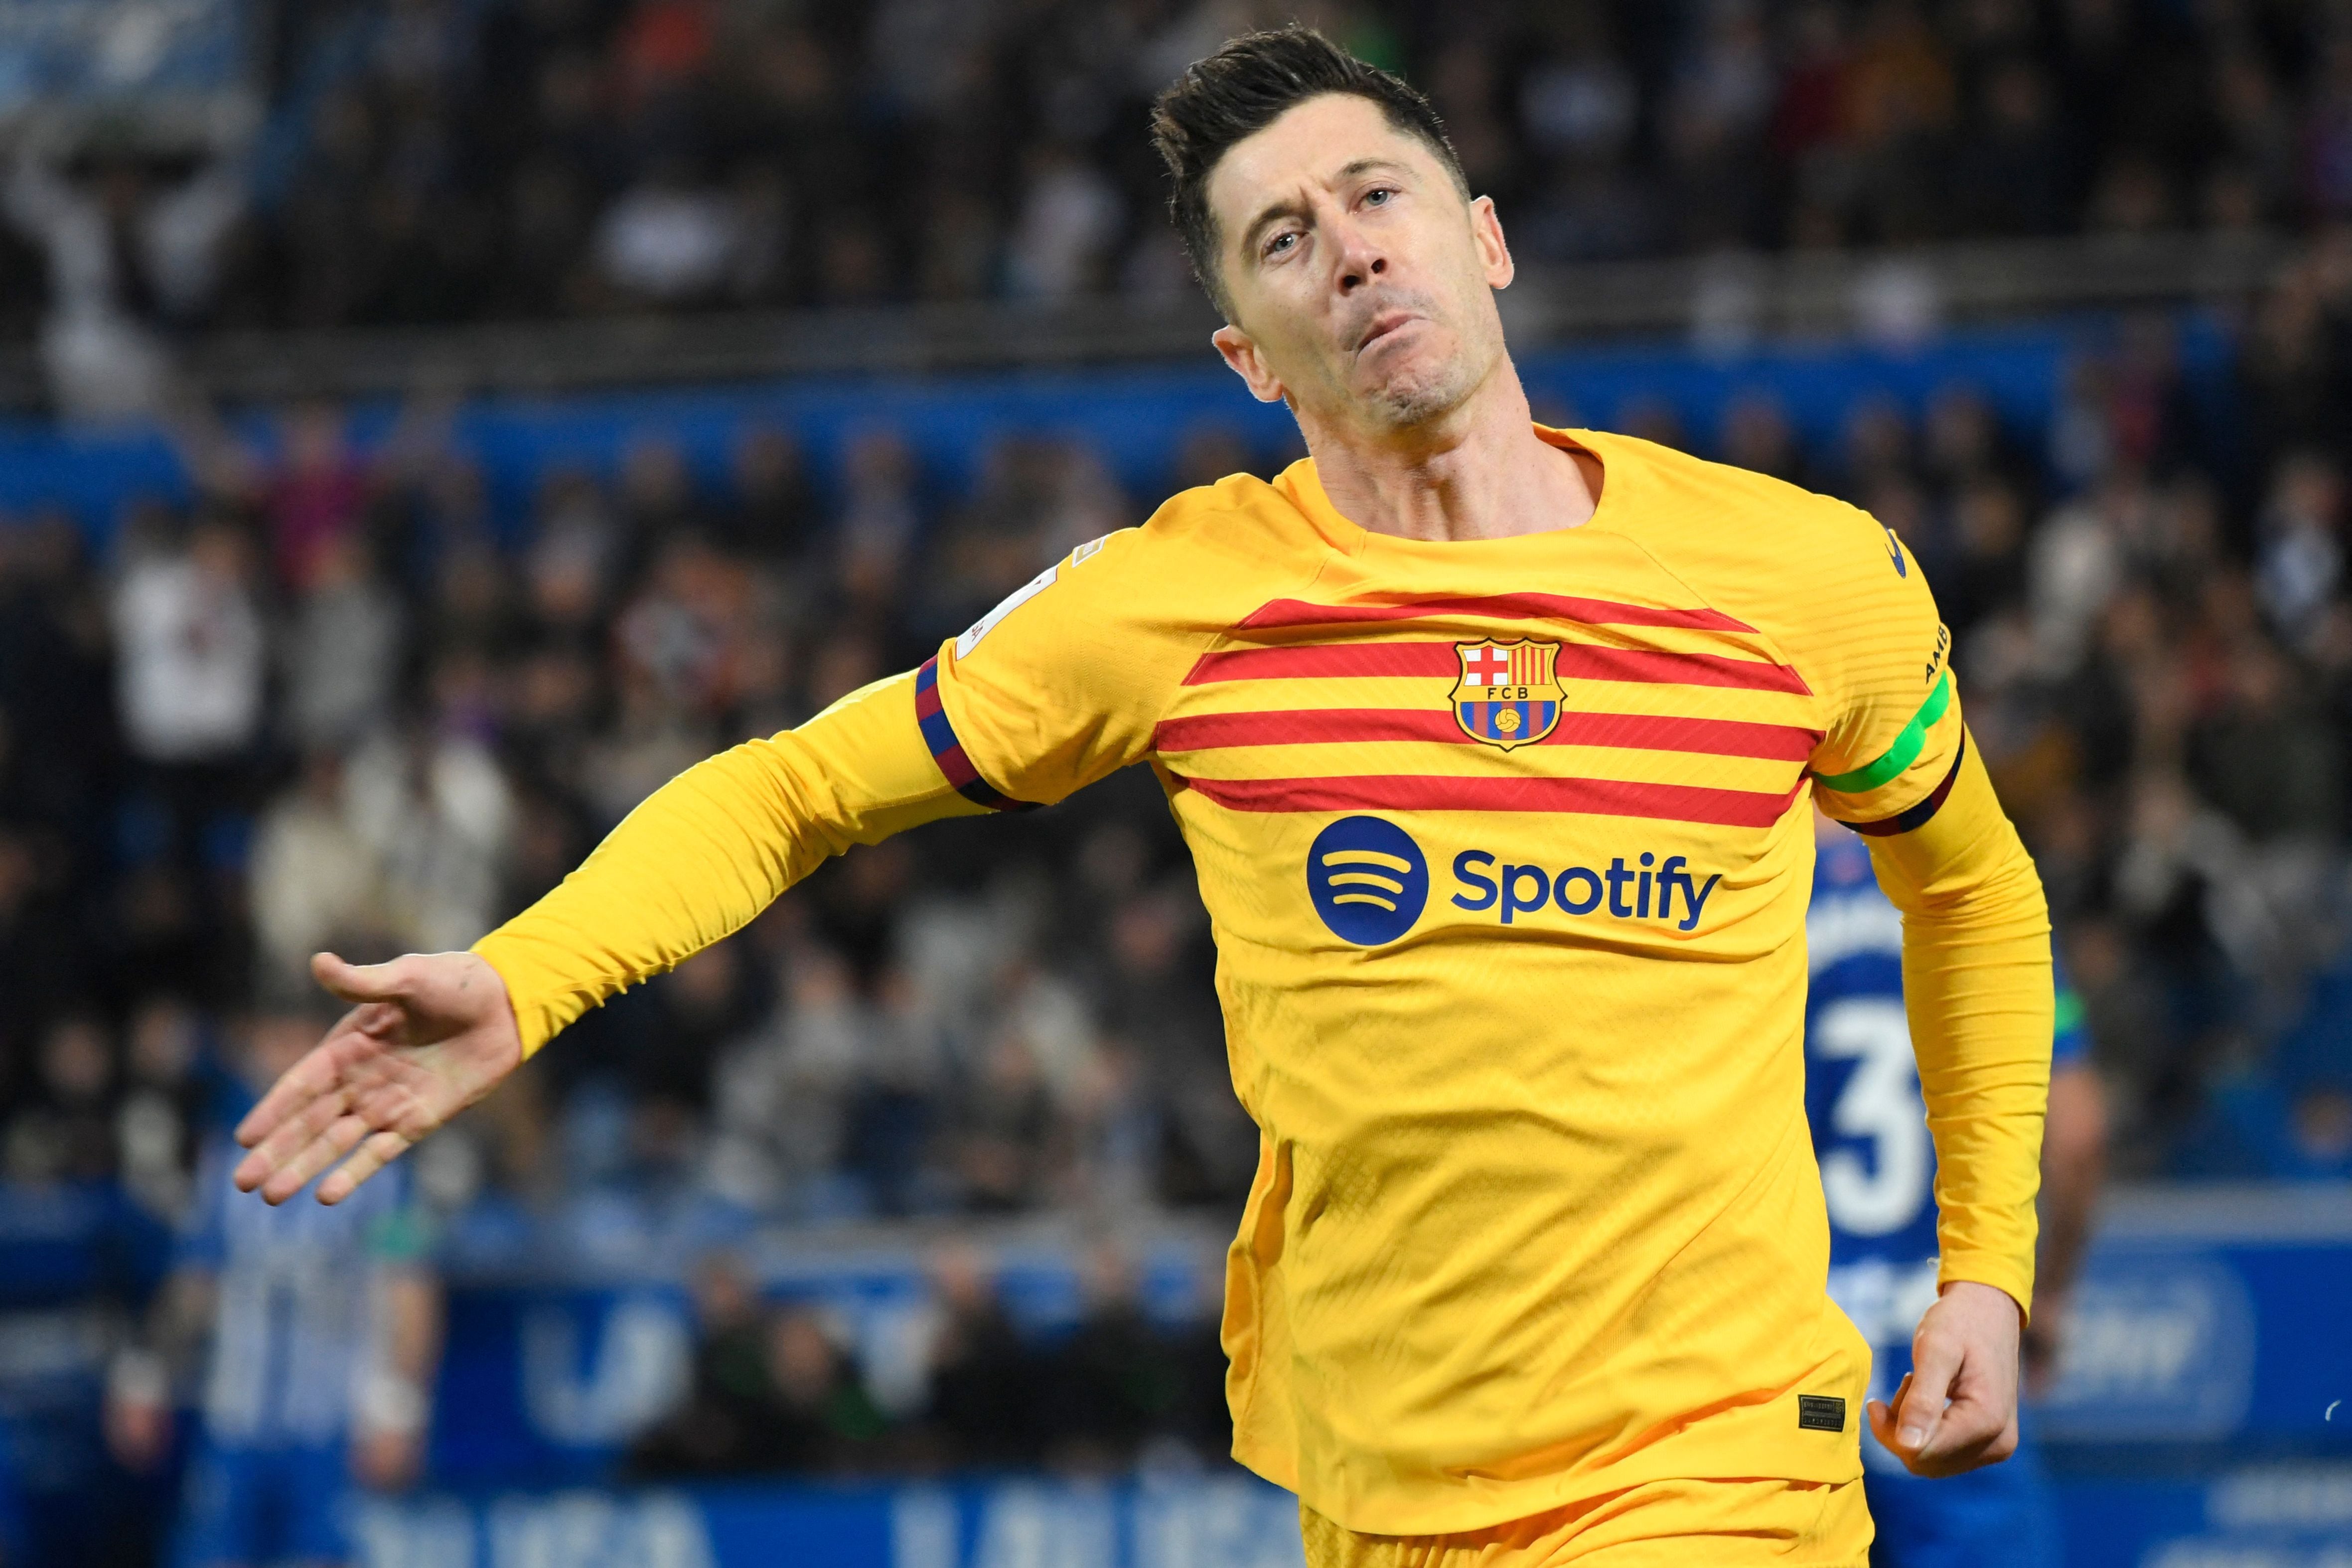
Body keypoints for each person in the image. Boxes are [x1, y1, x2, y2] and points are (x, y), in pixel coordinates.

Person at [230, 29, 2053, 1566]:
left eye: (1377, 196)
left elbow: (1970, 887)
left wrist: (1985, 1267)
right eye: (1281, 237)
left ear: (1485, 241)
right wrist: (530, 974)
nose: (1346, 249)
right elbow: (795, 791)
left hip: (1721, 1468)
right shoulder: (1171, 605)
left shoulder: (1798, 578)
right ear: (1249, 360)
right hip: (1372, 1480)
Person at [1804, 811, 2106, 1568]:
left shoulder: (1740, 901)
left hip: (1788, 1357)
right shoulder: (1981, 901)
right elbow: (2077, 1135)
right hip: (1946, 1346)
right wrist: (2046, 1298)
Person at [110, 1009, 441, 1568]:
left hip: (330, 1424)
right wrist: (150, 1376)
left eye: (297, 1039)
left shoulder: (383, 1165)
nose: (282, 1058)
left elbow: (410, 1290)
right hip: (237, 1419)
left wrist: (398, 1406)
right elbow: (195, 1284)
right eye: (271, 1040)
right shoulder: (224, 1165)